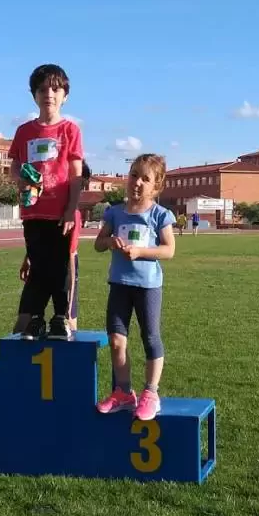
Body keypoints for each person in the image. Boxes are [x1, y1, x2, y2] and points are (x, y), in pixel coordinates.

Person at [94, 153, 175, 420]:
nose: (137, 182)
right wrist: (110, 243)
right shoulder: (114, 212)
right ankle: (123, 392)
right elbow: (98, 243)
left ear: (156, 185)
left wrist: (140, 252)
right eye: (133, 175)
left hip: (148, 286)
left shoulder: (159, 215)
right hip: (119, 284)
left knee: (150, 338)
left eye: (145, 178)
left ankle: (151, 392)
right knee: (117, 341)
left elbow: (169, 250)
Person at [9, 63, 83, 341]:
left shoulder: (70, 130)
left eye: (55, 88)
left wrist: (69, 210)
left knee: (61, 267)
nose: (48, 94)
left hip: (60, 213)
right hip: (33, 212)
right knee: (39, 267)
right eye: (42, 89)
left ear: (65, 94)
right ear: (34, 95)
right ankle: (37, 319)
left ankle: (61, 317)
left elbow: (76, 176)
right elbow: (14, 168)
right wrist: (22, 180)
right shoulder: (24, 131)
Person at [19, 159, 90, 331]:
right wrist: (28, 259)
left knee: (66, 324)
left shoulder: (71, 215)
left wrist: (69, 297)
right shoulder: (44, 211)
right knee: (23, 324)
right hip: (40, 264)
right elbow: (38, 239)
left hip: (64, 267)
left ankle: (67, 331)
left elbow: (71, 255)